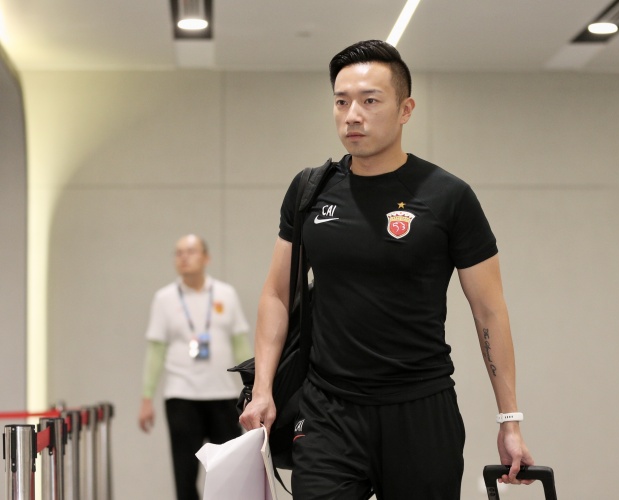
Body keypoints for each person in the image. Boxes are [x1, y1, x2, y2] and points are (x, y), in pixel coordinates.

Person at [239, 40, 533, 499]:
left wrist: (509, 420)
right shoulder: (310, 191)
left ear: (405, 109)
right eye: (341, 102)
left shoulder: (448, 197)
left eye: (370, 101)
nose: (352, 115)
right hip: (328, 412)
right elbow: (277, 294)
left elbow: (489, 311)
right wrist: (263, 391)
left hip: (420, 411)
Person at [138, 234, 252, 500]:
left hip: (223, 396)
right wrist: (146, 398)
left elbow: (240, 345)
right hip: (181, 396)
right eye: (178, 253)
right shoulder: (164, 298)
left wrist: (254, 390)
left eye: (190, 251)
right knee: (185, 474)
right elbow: (155, 351)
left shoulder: (226, 294)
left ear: (206, 257)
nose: (184, 257)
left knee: (230, 473)